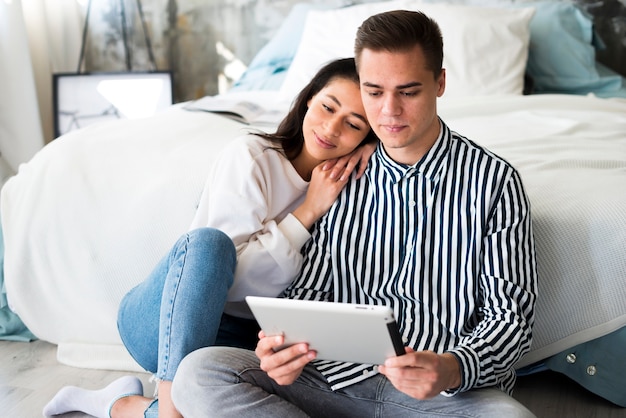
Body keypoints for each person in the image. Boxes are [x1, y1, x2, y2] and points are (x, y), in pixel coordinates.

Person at [171, 9, 538, 418]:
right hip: (328, 380)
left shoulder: (496, 182)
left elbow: (511, 318)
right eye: (374, 92)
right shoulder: (338, 176)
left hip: (439, 399)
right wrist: (279, 347)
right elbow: (306, 291)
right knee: (199, 374)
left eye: (409, 92)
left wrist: (451, 368)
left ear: (440, 83)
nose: (389, 111)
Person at [42, 57, 377, 418]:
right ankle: (169, 410)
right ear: (309, 98)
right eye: (328, 107)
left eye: (354, 124)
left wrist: (383, 153)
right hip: (166, 318)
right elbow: (228, 278)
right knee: (210, 243)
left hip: (241, 336)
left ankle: (120, 405)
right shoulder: (251, 156)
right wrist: (308, 211)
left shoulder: (351, 186)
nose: (331, 127)